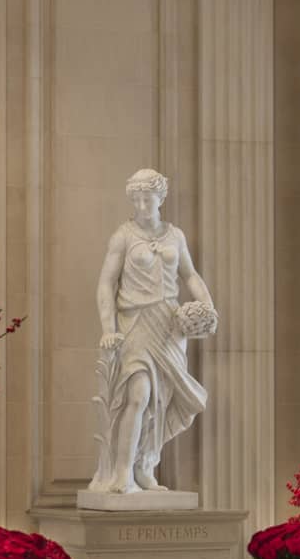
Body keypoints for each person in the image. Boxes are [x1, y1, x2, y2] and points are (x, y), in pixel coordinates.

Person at [87, 168, 216, 494]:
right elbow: (106, 283)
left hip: (169, 326)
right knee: (139, 395)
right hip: (135, 323)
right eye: (137, 199)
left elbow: (191, 276)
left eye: (149, 198)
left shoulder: (176, 235)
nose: (143, 204)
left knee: (162, 401)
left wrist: (206, 308)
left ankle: (145, 467)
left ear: (161, 198)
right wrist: (108, 328)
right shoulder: (123, 236)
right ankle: (122, 474)